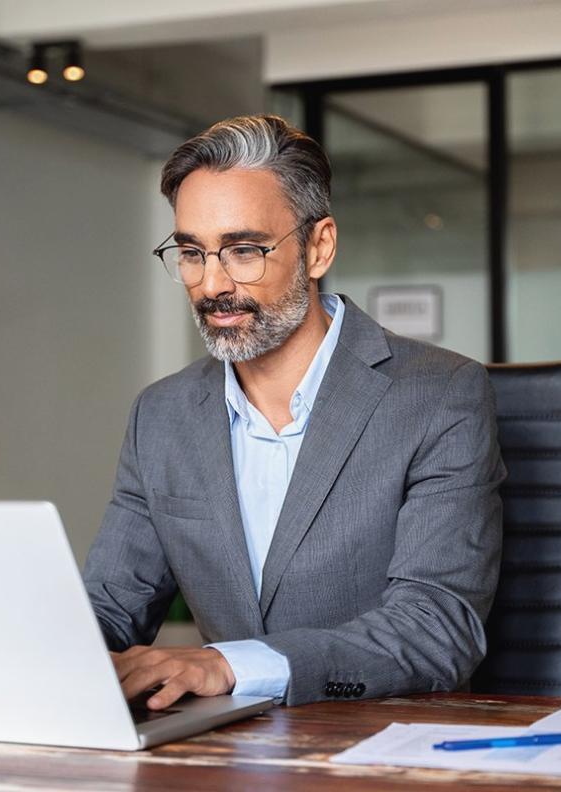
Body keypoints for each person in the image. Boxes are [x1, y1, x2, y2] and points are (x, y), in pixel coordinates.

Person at [83, 114, 504, 709]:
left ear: (319, 247)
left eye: (243, 250)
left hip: (380, 745)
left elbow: (436, 627)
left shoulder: (441, 395)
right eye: (191, 253)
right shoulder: (162, 415)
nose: (211, 284)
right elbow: (109, 605)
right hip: (220, 751)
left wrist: (229, 665)